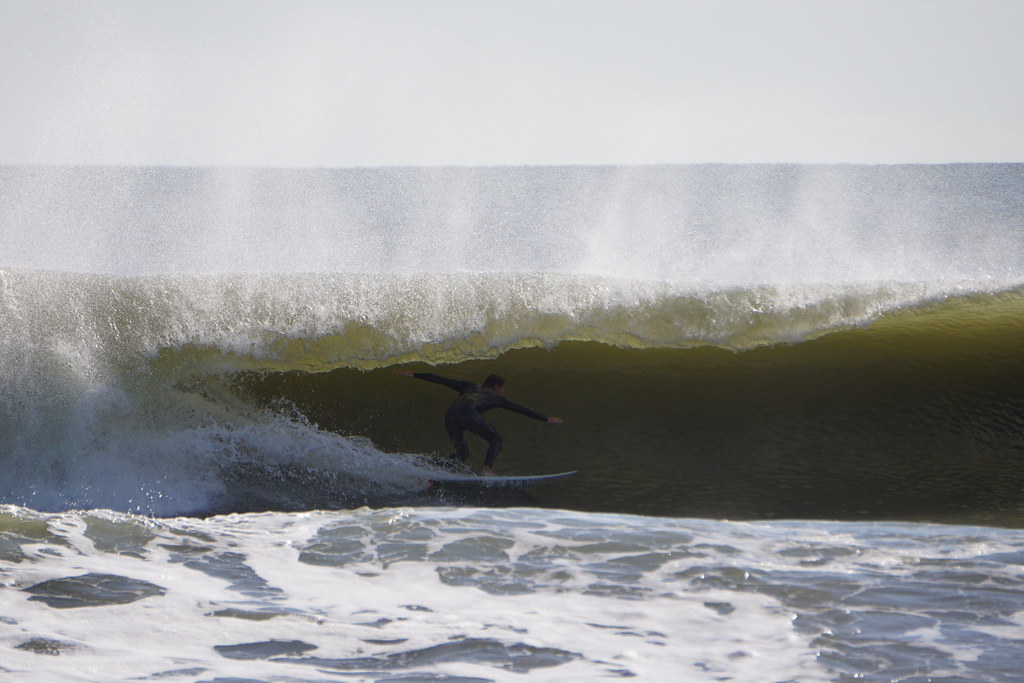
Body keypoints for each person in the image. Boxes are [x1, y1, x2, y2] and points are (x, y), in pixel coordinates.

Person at [395, 370, 563, 475]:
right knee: (496, 440)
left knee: (462, 454)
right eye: (503, 388)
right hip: (468, 414)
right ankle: (487, 469)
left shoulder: (469, 386)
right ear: (496, 387)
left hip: (451, 416)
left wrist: (413, 374)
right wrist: (545, 419)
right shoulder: (495, 396)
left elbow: (442, 380)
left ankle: (436, 471)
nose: (504, 392)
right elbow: (519, 408)